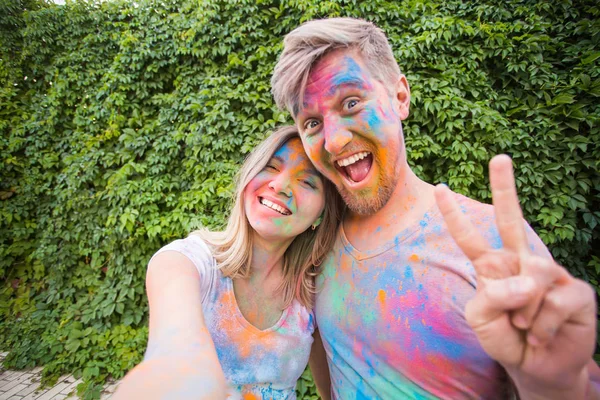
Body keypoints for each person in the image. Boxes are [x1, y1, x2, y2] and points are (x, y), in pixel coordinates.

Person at [271, 17, 599, 399]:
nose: (333, 140)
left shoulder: (490, 241)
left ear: (400, 97)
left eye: (352, 102)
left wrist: (553, 383)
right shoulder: (316, 247)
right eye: (312, 122)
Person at [113, 125, 343, 399]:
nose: (281, 186)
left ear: (321, 212)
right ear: (249, 176)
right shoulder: (186, 262)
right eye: (270, 167)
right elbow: (174, 349)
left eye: (307, 182)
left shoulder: (312, 292)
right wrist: (180, 368)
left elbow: (331, 391)